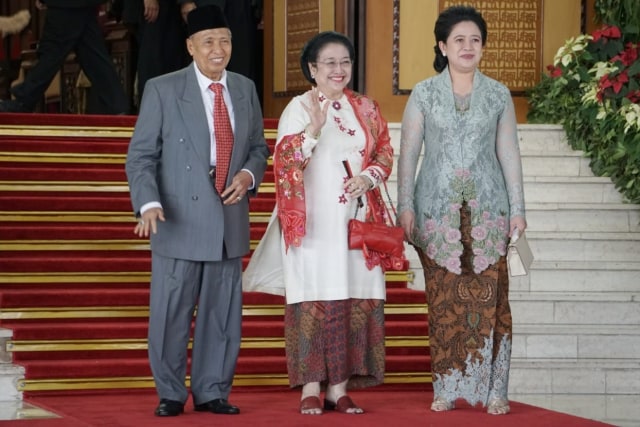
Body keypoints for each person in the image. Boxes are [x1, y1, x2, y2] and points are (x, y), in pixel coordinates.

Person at [125, 5, 269, 417]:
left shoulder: (244, 88)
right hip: (178, 218)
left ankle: (212, 390)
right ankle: (171, 392)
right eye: (208, 42)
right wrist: (148, 203)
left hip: (228, 216)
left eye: (224, 40)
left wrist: (247, 175)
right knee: (171, 312)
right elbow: (141, 156)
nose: (218, 49)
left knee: (221, 314)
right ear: (191, 46)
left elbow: (258, 147)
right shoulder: (163, 89)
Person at [244, 31, 394, 415]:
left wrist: (370, 176)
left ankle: (339, 388)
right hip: (313, 224)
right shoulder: (299, 106)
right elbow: (285, 163)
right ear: (312, 68)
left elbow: (383, 153)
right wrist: (312, 129)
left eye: (344, 62)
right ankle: (311, 386)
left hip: (356, 222)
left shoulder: (367, 107)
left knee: (351, 296)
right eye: (329, 63)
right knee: (314, 296)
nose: (338, 70)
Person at [396, 5, 526, 415]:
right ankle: (448, 387)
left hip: (490, 211)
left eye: (475, 40)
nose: (468, 47)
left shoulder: (499, 94)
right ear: (442, 46)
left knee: (494, 301)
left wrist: (518, 210)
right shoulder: (423, 93)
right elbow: (408, 154)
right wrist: (405, 206)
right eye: (459, 40)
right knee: (444, 301)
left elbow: (509, 154)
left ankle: (495, 390)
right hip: (436, 211)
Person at [0, 0, 129, 114]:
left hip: (67, 4)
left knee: (51, 54)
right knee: (93, 56)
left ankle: (24, 100)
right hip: (79, 4)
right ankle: (118, 105)